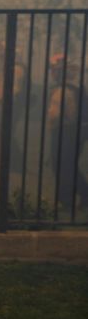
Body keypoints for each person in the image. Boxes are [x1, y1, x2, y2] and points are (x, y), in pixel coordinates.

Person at [46, 53, 88, 211]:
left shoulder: (62, 90)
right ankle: (71, 198)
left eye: (55, 70)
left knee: (62, 166)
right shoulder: (75, 87)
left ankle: (68, 200)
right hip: (73, 131)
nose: (53, 73)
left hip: (65, 131)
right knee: (66, 165)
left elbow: (55, 114)